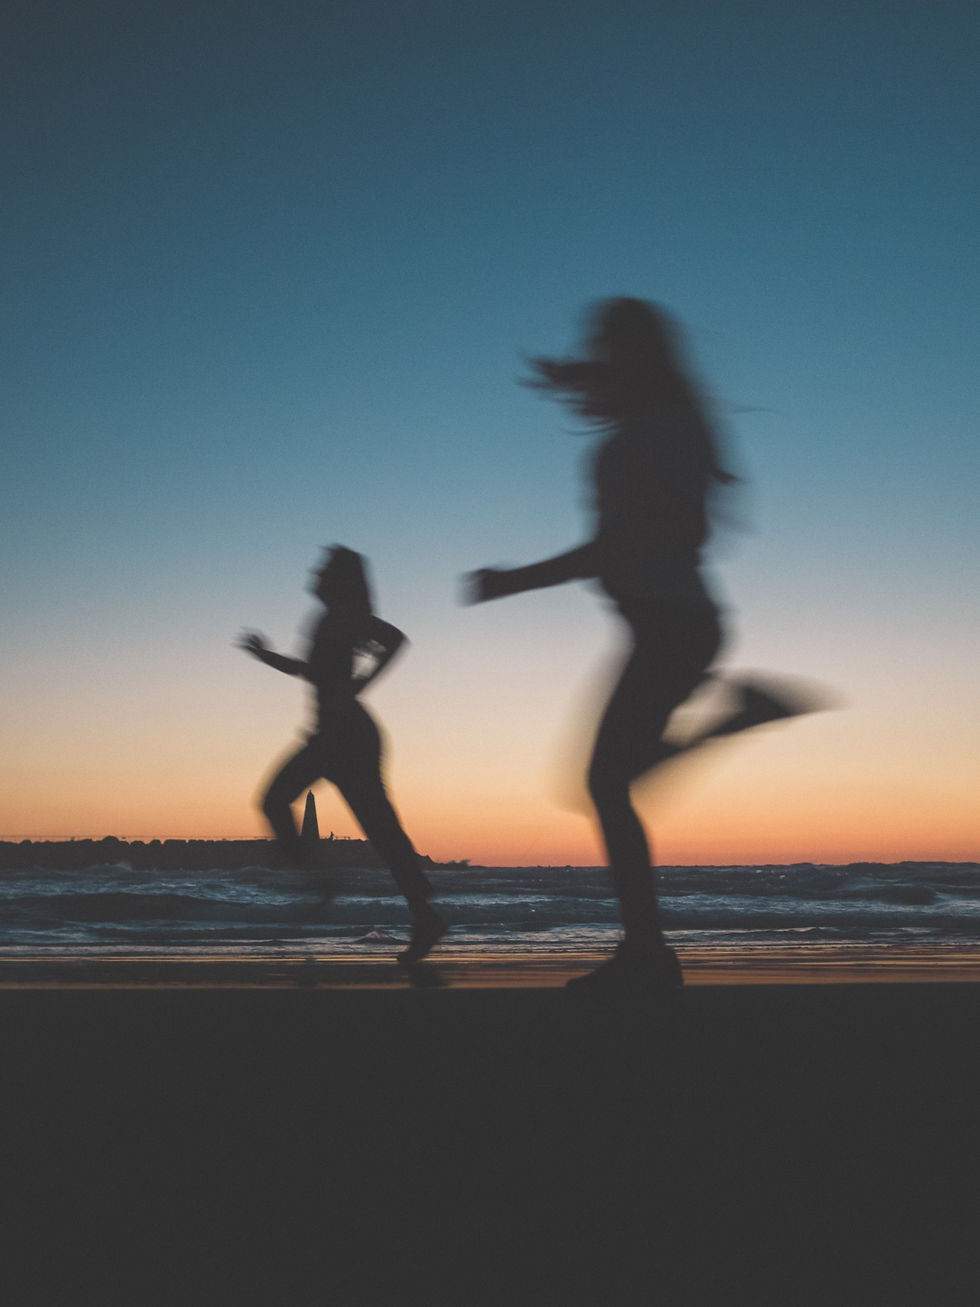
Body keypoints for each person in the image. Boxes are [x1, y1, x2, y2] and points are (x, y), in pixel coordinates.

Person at [465, 298, 799, 994]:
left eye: (607, 343)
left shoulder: (664, 427)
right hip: (665, 624)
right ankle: (648, 948)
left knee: (604, 783)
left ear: (636, 351)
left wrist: (516, 580)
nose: (597, 352)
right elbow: (657, 534)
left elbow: (666, 534)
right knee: (609, 781)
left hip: (674, 624)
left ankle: (647, 953)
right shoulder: (658, 423)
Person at [239, 546, 446, 971]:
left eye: (323, 569)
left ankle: (328, 882)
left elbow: (394, 640)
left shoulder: (346, 615)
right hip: (334, 736)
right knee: (378, 830)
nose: (314, 573)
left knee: (286, 804)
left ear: (338, 580)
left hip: (346, 737)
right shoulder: (329, 619)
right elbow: (309, 670)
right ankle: (420, 912)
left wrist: (360, 685)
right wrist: (266, 656)